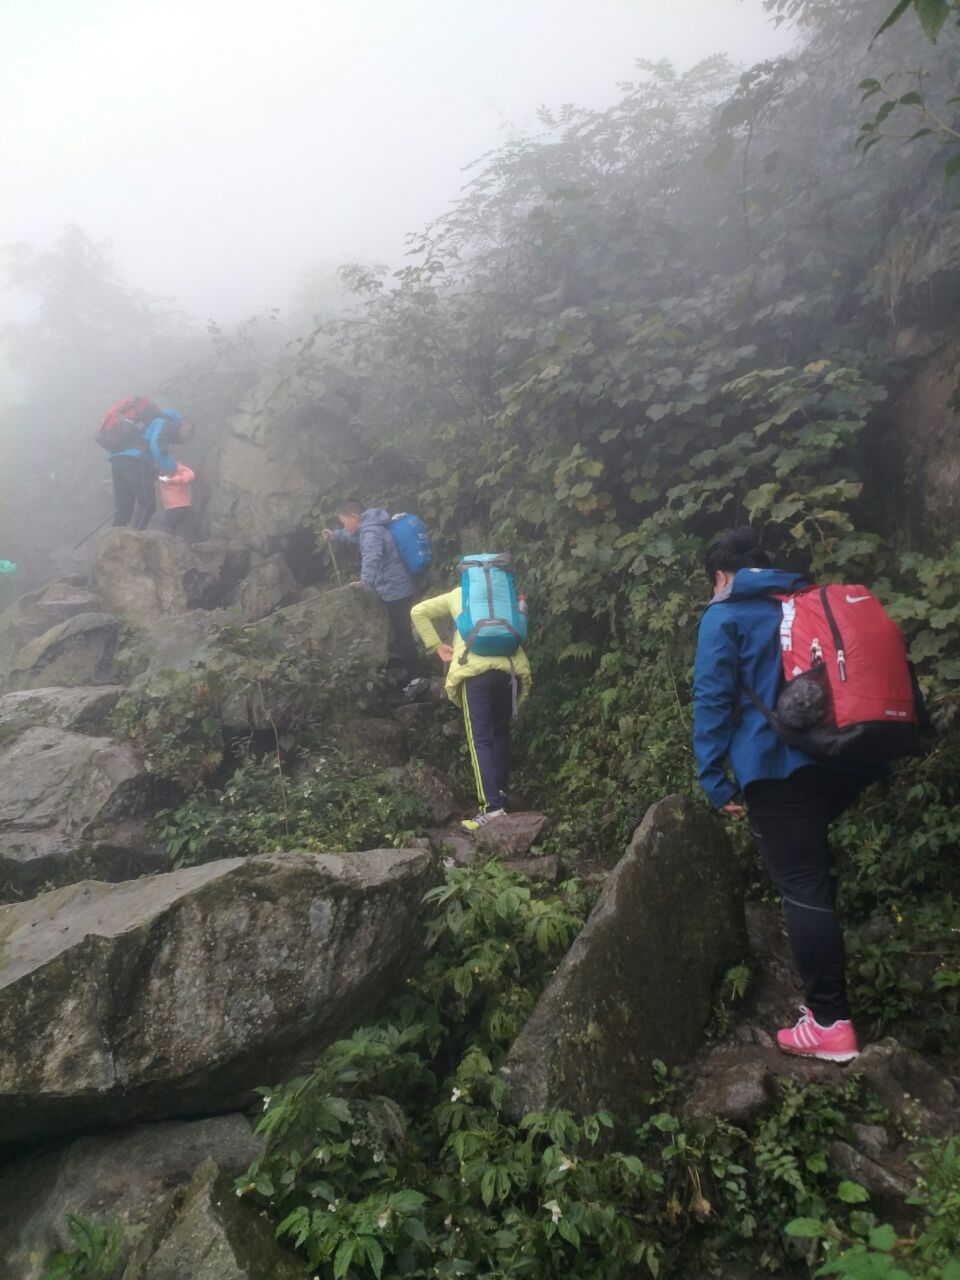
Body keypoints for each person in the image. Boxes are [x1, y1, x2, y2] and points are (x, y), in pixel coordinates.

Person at [693, 527, 874, 1064]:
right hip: (837, 758)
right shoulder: (802, 602)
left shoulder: (724, 616)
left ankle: (829, 1023)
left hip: (775, 767)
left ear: (722, 576)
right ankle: (829, 1006)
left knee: (802, 888)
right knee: (813, 874)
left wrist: (712, 776)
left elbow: (712, 697)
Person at [411, 578, 532, 832]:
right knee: (500, 730)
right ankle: (499, 792)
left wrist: (436, 646)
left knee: (480, 740)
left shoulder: (459, 594)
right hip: (510, 672)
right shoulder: (507, 596)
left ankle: (491, 809)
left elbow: (417, 611)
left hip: (474, 674)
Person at [321, 501, 422, 679]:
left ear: (355, 517)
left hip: (395, 590)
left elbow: (371, 556)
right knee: (401, 630)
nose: (345, 526)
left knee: (403, 633)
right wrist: (335, 534)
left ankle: (417, 675)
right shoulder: (372, 527)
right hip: (398, 586)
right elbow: (353, 536)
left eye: (345, 522)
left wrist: (365, 582)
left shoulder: (370, 532)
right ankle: (411, 669)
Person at [108, 409, 194, 530]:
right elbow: (156, 447)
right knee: (147, 504)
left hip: (117, 459)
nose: (184, 437)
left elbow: (163, 476)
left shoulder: (149, 422)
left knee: (124, 507)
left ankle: (114, 543)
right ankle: (134, 540)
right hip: (136, 459)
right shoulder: (166, 423)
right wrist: (172, 469)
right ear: (181, 424)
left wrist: (156, 475)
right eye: (185, 433)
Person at [157, 460, 197, 539]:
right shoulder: (162, 470)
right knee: (175, 529)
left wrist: (174, 480)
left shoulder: (179, 467)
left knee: (167, 526)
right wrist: (165, 479)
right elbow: (161, 479)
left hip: (181, 505)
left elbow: (190, 476)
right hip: (170, 506)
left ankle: (169, 545)